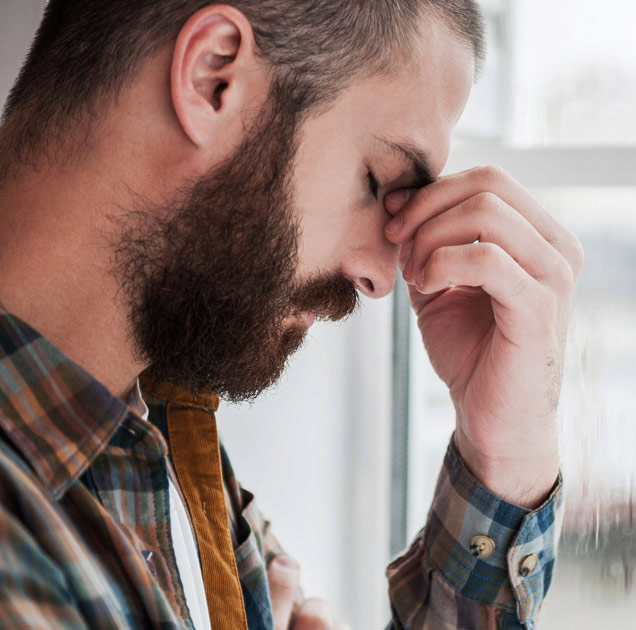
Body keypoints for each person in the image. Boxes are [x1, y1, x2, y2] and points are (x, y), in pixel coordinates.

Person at [0, 1, 582, 628]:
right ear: (212, 77)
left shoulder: (164, 437)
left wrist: (504, 458)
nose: (380, 278)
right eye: (378, 178)